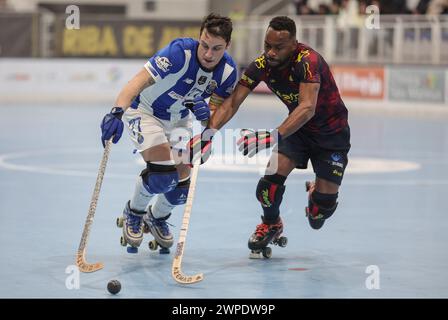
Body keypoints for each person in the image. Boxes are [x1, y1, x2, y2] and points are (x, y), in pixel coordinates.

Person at [189, 16, 350, 251]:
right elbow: (233, 102)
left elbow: (307, 108)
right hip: (297, 132)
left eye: (278, 47)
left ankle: (317, 193)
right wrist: (207, 134)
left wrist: (273, 136)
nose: (271, 53)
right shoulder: (262, 66)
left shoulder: (308, 61)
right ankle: (271, 223)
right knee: (268, 184)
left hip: (331, 136)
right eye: (267, 45)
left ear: (294, 44)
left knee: (319, 215)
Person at [100, 13, 237, 252]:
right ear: (199, 37)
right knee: (163, 177)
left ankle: (157, 217)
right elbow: (136, 82)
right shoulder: (178, 53)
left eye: (216, 49)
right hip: (145, 112)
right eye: (204, 45)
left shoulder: (227, 73)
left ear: (227, 46)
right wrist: (116, 111)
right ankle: (134, 212)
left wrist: (207, 127)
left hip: (179, 120)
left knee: (181, 187)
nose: (208, 54)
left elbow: (213, 112)